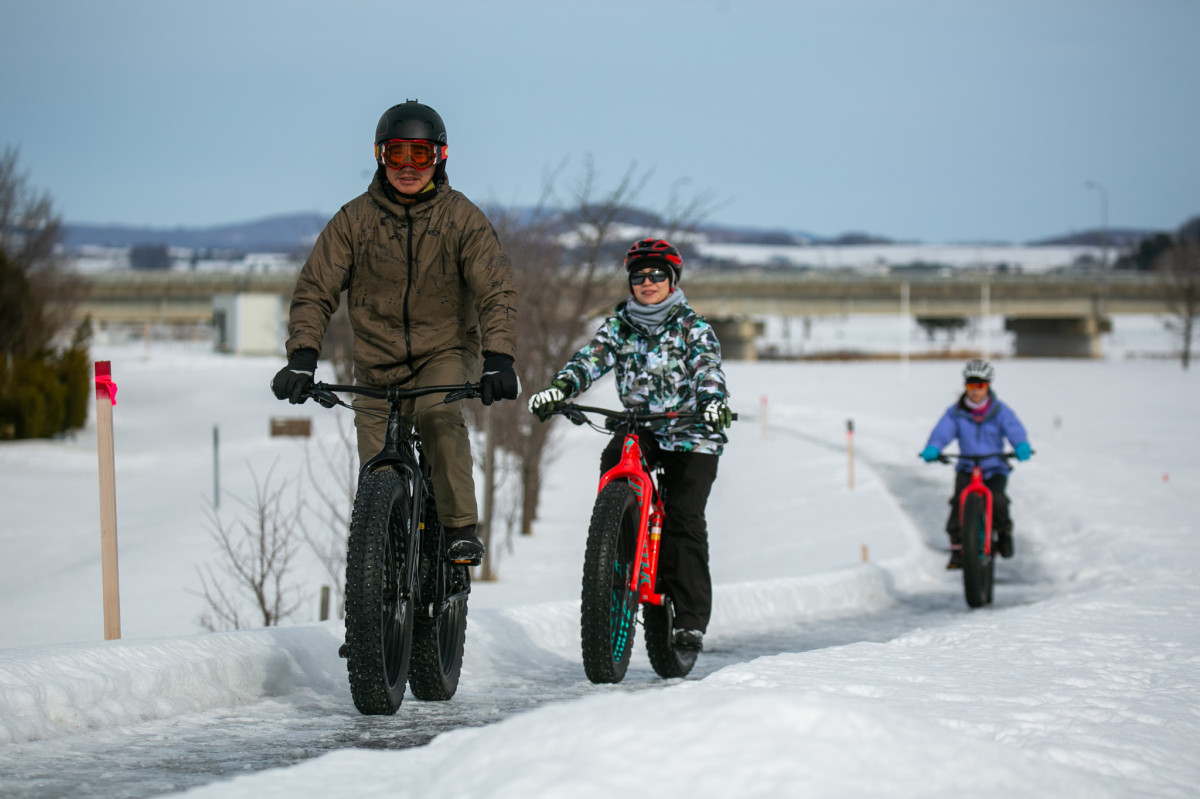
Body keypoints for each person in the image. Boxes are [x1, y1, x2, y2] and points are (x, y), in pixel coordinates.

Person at [271, 99, 519, 565]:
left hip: (444, 350)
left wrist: (498, 358)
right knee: (375, 468)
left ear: (440, 158)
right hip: (375, 360)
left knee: (437, 417)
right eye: (397, 154)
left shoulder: (461, 219)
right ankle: (378, 582)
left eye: (420, 155)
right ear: (379, 155)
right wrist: (302, 356)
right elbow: (315, 288)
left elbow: (496, 288)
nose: (408, 167)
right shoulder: (355, 220)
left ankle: (460, 528)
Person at [528, 238, 732, 652]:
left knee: (684, 518)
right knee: (613, 460)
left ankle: (689, 620)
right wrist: (559, 389)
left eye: (658, 275)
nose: (648, 282)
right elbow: (590, 359)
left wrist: (712, 403)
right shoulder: (619, 327)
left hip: (692, 431)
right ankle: (617, 539)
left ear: (672, 280)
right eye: (640, 276)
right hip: (643, 426)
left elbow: (708, 370)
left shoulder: (694, 327)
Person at [921, 359, 1032, 569]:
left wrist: (1021, 445)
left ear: (988, 386)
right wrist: (933, 448)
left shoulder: (999, 411)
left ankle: (1004, 533)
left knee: (998, 500)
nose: (976, 391)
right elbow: (942, 432)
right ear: (966, 386)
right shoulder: (956, 412)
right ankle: (957, 549)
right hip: (967, 467)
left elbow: (1014, 429)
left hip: (994, 467)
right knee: (957, 503)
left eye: (980, 386)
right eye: (972, 386)